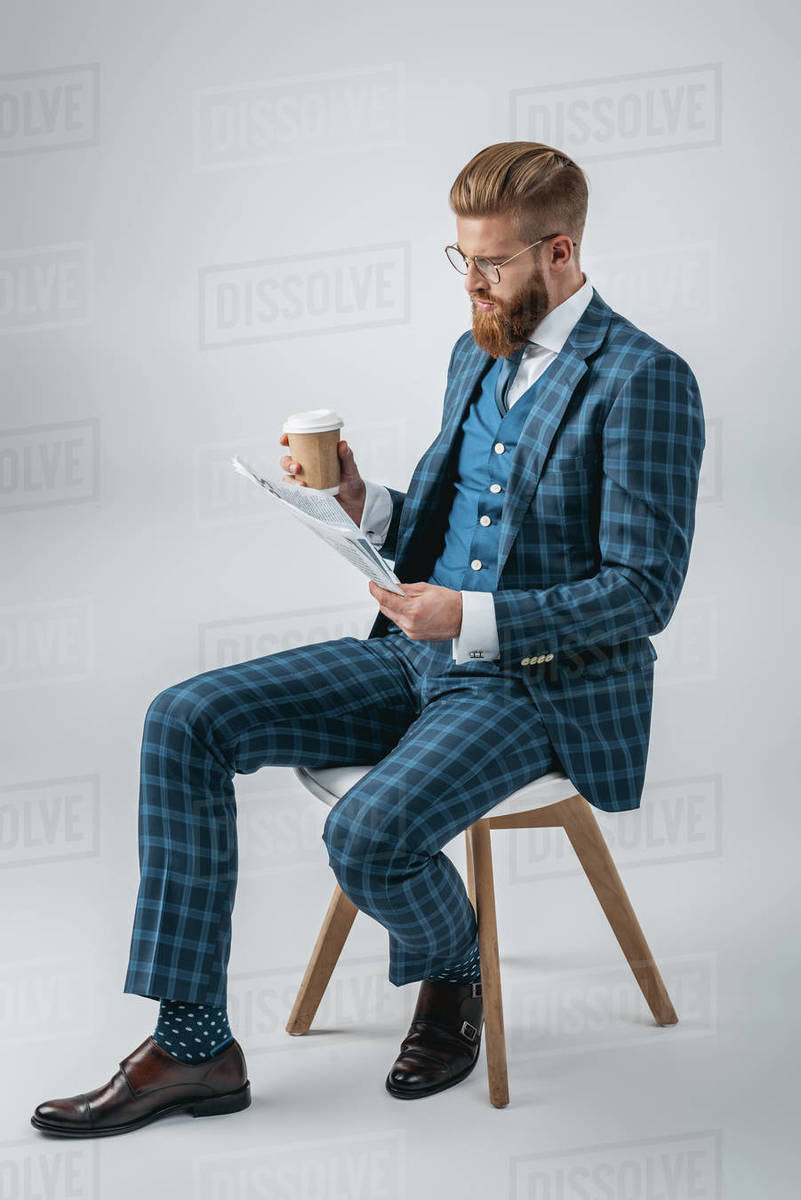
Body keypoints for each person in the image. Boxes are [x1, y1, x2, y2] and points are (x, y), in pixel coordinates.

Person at [31, 141, 705, 1136]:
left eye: (493, 262)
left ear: (560, 253)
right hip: (413, 654)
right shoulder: (476, 348)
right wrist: (361, 501)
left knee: (367, 836)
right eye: (460, 257)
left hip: (537, 686)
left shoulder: (645, 379)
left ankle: (451, 970)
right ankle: (194, 1042)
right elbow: (463, 518)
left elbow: (643, 591)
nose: (470, 282)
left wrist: (472, 618)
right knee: (185, 720)